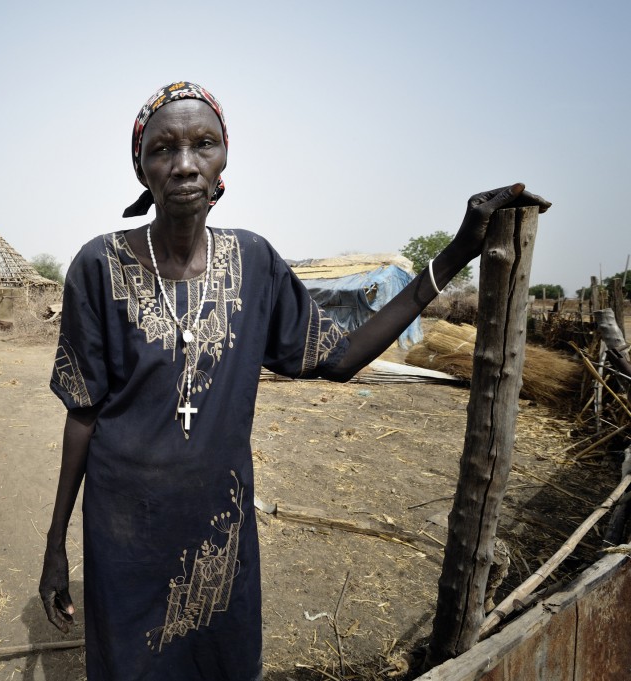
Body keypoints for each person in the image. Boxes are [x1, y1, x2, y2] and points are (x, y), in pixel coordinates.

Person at [39, 81, 549, 681]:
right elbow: (83, 412)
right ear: (140, 164)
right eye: (162, 149)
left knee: (220, 664)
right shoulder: (97, 266)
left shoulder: (254, 262)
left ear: (225, 158)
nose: (184, 165)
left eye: (204, 144)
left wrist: (458, 249)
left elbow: (338, 357)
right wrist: (54, 545)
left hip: (218, 533)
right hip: (124, 528)